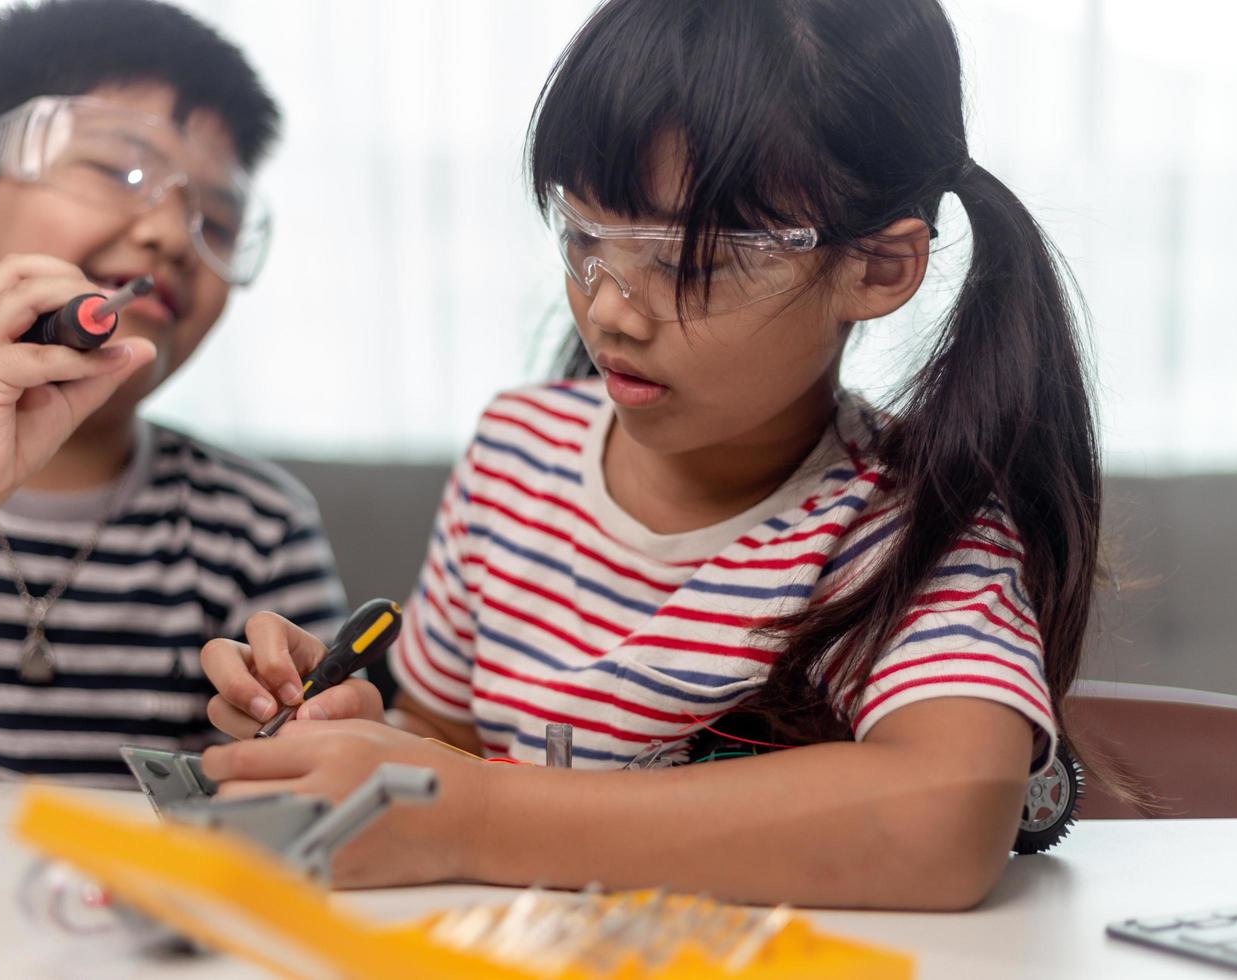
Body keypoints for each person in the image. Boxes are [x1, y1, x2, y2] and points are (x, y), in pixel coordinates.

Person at [197, 0, 1100, 909]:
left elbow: (947, 819)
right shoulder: (518, 455)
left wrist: (470, 816)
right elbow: (449, 741)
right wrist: (357, 742)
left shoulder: (907, 522)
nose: (611, 310)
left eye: (688, 264)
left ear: (875, 270)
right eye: (586, 238)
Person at [0, 0, 346, 786]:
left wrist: (305, 721)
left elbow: (317, 796)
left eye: (214, 216)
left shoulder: (255, 530)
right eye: (121, 173)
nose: (174, 236)